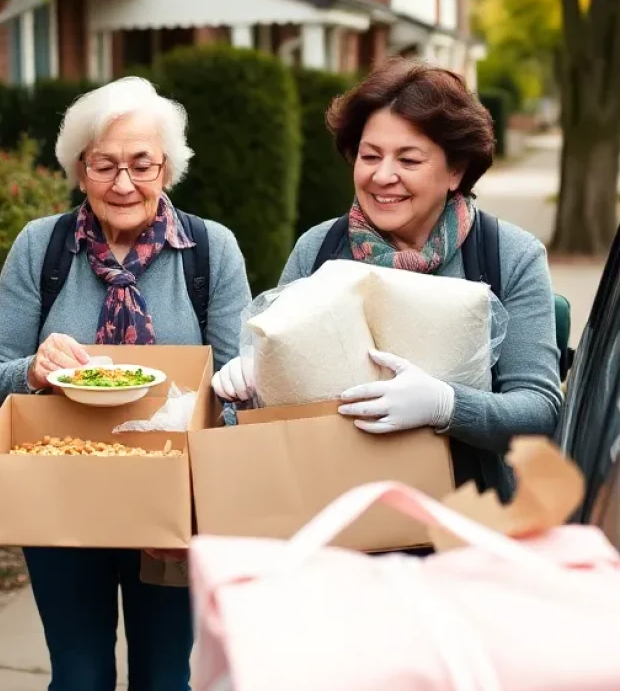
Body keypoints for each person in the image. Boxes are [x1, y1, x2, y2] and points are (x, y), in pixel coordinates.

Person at [0, 77, 251, 691]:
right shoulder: (43, 247)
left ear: (168, 167)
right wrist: (30, 370)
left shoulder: (211, 252)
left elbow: (244, 394)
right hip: (63, 502)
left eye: (141, 164)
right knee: (80, 689)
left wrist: (234, 388)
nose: (123, 182)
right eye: (104, 164)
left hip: (171, 507)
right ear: (79, 169)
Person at [213, 60, 563, 497]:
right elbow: (268, 411)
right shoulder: (319, 248)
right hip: (333, 511)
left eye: (409, 159)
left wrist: (446, 405)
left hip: (464, 519)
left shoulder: (509, 255)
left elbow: (539, 410)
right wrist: (250, 386)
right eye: (370, 155)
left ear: (456, 170)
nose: (382, 176)